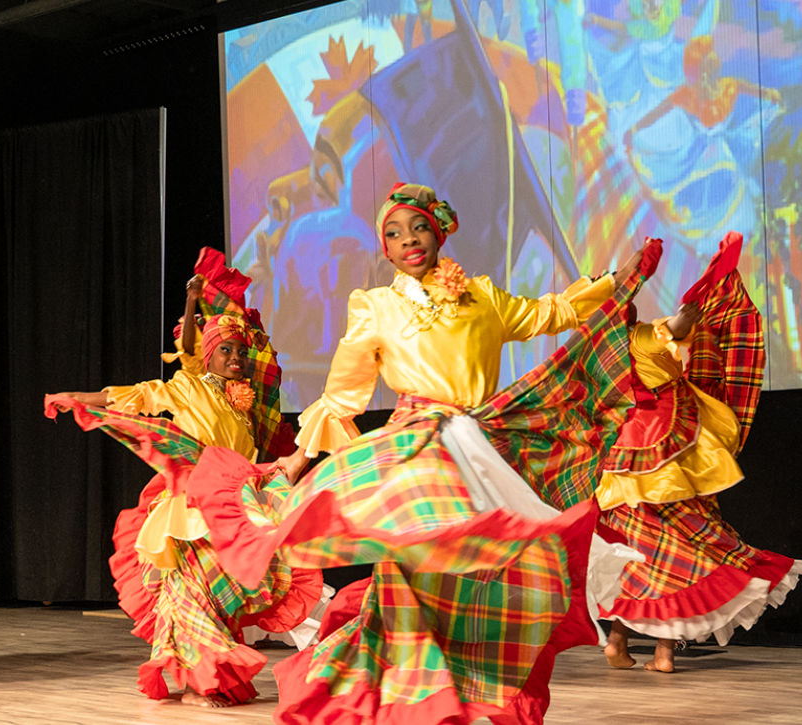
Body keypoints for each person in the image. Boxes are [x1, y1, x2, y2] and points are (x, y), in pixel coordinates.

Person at [200, 183, 658, 724]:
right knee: (413, 570)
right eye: (393, 233)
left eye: (418, 227)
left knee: (493, 569)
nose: (408, 240)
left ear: (439, 232)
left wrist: (618, 280)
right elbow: (344, 391)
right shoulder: (376, 306)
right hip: (417, 443)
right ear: (385, 249)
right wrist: (300, 459)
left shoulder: (482, 296)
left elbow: (551, 312)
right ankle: (403, 692)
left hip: (478, 450)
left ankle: (455, 686)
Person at [46, 248, 321, 708]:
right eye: (227, 352)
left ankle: (246, 664)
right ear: (208, 357)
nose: (236, 359)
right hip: (191, 504)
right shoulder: (184, 386)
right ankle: (201, 680)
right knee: (189, 590)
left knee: (244, 579)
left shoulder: (245, 400)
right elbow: (127, 396)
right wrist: (76, 398)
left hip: (237, 498)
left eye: (240, 352)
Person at [594, 232, 802, 672]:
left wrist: (680, 321)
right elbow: (666, 334)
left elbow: (667, 335)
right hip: (666, 449)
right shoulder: (635, 337)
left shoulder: (595, 352)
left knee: (639, 554)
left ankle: (622, 643)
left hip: (626, 461)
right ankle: (662, 651)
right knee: (674, 554)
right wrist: (685, 319)